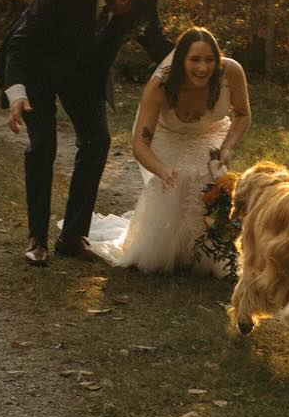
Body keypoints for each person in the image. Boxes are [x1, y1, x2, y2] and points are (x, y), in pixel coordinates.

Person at [0, 0, 172, 265]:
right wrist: (17, 93)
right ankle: (37, 239)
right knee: (43, 145)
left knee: (97, 141)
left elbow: (155, 42)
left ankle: (73, 236)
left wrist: (197, 62)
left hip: (86, 75)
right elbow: (22, 40)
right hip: (38, 70)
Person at [88, 26, 251, 275]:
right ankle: (167, 250)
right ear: (180, 60)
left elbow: (243, 114)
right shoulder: (161, 85)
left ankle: (207, 253)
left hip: (210, 133)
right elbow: (140, 145)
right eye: (194, 60)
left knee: (208, 177)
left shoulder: (231, 72)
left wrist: (227, 147)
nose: (203, 68)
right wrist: (162, 171)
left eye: (209, 60)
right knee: (179, 176)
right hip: (168, 135)